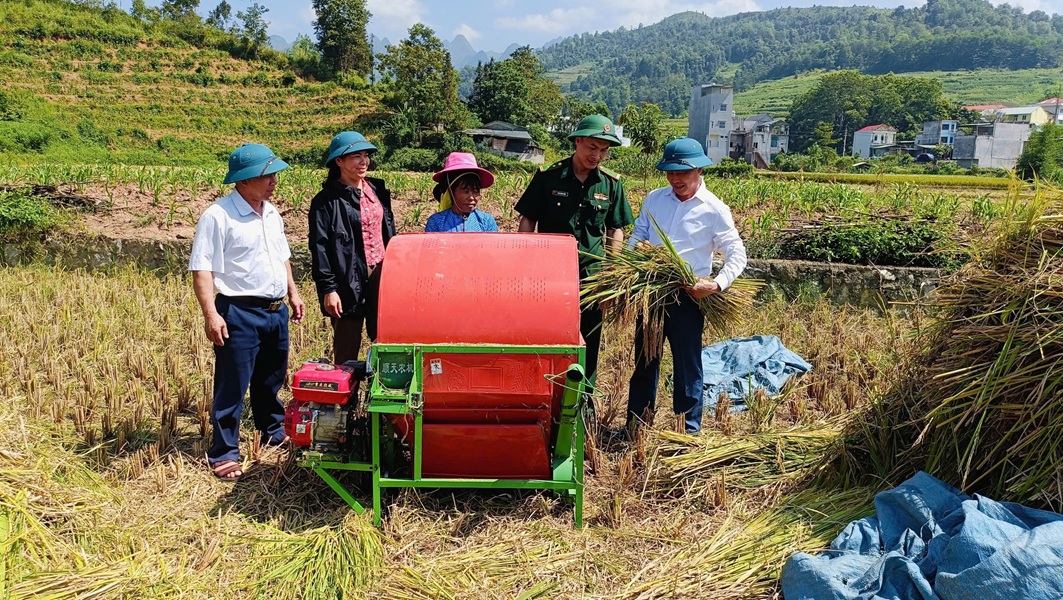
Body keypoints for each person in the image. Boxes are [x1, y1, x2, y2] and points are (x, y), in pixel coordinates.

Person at [189, 143, 306, 481]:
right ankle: (224, 451)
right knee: (232, 384)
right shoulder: (218, 215)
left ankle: (272, 429)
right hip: (238, 311)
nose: (274, 181)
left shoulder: (271, 213)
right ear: (243, 179)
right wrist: (211, 314)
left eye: (274, 174)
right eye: (266, 174)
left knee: (271, 378)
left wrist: (293, 293)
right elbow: (202, 269)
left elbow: (282, 258)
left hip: (274, 311)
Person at [626, 137, 747, 435]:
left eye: (682, 172)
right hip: (652, 295)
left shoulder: (714, 209)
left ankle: (688, 431)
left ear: (699, 171)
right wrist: (635, 255)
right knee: (644, 362)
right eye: (670, 172)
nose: (675, 178)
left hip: (688, 299)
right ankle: (636, 426)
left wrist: (716, 284)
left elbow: (737, 252)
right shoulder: (655, 199)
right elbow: (639, 232)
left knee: (687, 365)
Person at [516, 114, 633, 391]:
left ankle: (583, 404)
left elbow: (615, 229)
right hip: (548, 279)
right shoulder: (549, 177)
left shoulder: (611, 184)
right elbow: (528, 220)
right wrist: (522, 263)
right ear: (577, 141)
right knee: (547, 337)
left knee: (589, 342)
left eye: (604, 150)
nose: (598, 155)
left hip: (591, 280)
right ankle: (546, 396)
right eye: (592, 147)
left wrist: (612, 275)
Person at [309, 131, 396, 366]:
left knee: (385, 340)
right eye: (356, 156)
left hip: (381, 273)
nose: (363, 162)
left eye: (366, 155)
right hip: (346, 278)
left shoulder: (377, 191)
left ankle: (379, 396)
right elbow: (320, 248)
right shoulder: (325, 201)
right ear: (339, 161)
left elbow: (389, 233)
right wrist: (329, 288)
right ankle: (345, 400)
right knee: (347, 345)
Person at [425, 152, 498, 233]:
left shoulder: (486, 222)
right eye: (465, 191)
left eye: (476, 191)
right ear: (451, 192)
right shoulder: (436, 222)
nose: (471, 197)